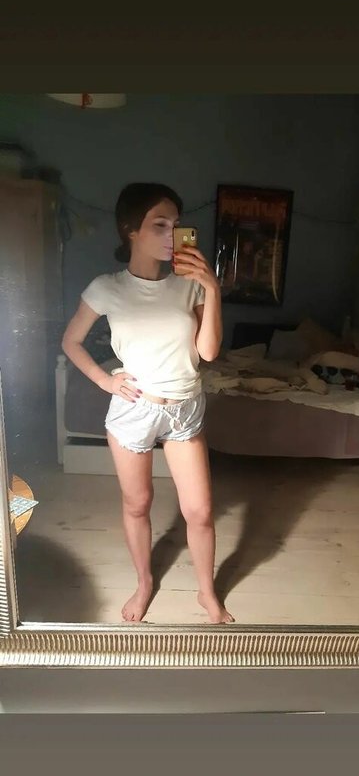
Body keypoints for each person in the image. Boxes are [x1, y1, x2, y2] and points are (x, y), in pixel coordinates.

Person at [61, 182, 234, 624]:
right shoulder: (107, 288)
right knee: (137, 504)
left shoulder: (191, 286)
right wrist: (105, 380)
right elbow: (71, 341)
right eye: (160, 224)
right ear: (130, 230)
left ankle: (207, 593)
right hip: (135, 410)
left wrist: (212, 289)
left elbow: (209, 351)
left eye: (176, 225)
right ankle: (144, 583)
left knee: (200, 511)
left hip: (184, 408)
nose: (171, 234)